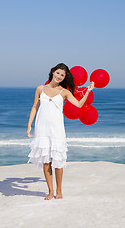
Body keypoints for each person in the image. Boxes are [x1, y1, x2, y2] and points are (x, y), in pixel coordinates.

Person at [26, 63, 94, 200]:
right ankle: (50, 191)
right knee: (46, 161)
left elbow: (79, 105)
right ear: (52, 72)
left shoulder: (65, 92)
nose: (59, 76)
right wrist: (29, 126)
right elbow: (34, 107)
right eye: (58, 73)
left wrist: (88, 90)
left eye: (62, 75)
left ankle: (59, 190)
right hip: (42, 129)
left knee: (58, 161)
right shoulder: (40, 88)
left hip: (57, 130)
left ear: (64, 78)